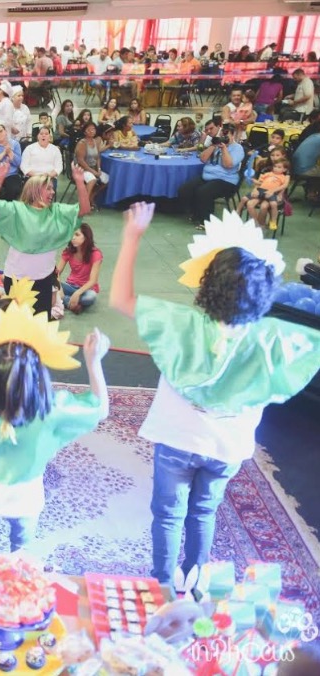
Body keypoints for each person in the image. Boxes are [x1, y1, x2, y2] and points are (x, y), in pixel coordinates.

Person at [109, 202, 320, 585]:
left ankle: (163, 586)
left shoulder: (180, 323)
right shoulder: (272, 338)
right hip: (227, 447)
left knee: (168, 515)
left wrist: (132, 236)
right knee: (204, 512)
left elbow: (121, 300)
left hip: (178, 437)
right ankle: (195, 583)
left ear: (207, 283)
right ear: (264, 294)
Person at [0, 304, 110, 560]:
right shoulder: (51, 409)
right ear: (37, 373)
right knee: (22, 550)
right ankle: (19, 582)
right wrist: (94, 363)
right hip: (25, 498)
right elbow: (100, 410)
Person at [0, 162, 91, 318]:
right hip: (17, 279)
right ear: (34, 190)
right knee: (17, 322)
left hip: (43, 279)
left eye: (52, 188)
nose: (52, 192)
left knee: (41, 322)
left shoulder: (56, 212)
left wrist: (80, 182)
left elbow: (84, 209)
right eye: (48, 188)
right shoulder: (18, 210)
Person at [177, 123, 245, 228]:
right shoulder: (216, 145)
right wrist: (213, 145)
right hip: (208, 176)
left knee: (203, 192)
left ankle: (206, 221)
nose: (223, 137)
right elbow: (203, 159)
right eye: (222, 134)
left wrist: (224, 149)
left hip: (226, 180)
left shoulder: (237, 148)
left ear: (232, 135)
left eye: (226, 135)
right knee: (184, 189)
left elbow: (228, 165)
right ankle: (195, 213)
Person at [56, 223, 102, 314]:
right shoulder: (68, 251)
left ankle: (65, 301)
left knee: (90, 298)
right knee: (49, 285)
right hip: (70, 286)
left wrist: (77, 293)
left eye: (77, 235)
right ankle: (73, 304)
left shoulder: (95, 254)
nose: (73, 238)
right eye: (72, 235)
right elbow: (56, 273)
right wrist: (60, 288)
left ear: (86, 237)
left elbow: (93, 281)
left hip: (87, 290)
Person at [244, 158, 290, 231]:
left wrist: (279, 195)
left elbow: (283, 187)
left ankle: (267, 223)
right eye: (275, 166)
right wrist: (255, 187)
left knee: (265, 206)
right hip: (261, 192)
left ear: (284, 169)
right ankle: (256, 223)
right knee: (249, 204)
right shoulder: (267, 173)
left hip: (272, 194)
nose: (276, 168)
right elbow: (259, 183)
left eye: (279, 167)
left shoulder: (284, 177)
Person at [74, 122, 108, 209]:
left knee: (107, 179)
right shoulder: (82, 143)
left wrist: (99, 169)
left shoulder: (95, 141)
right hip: (81, 169)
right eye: (89, 129)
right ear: (84, 132)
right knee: (92, 179)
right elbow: (81, 161)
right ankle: (84, 204)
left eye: (93, 129)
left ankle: (91, 197)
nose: (92, 131)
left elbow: (98, 157)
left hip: (93, 168)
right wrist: (93, 172)